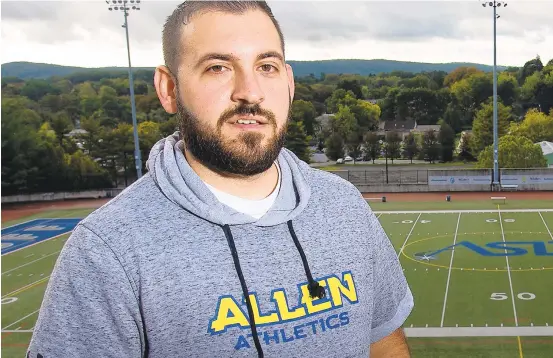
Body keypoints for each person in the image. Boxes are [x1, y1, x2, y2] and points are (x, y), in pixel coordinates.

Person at [27, 1, 413, 357]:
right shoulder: (107, 250)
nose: (250, 93)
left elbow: (382, 338)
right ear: (169, 89)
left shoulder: (344, 205)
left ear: (289, 82)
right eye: (218, 67)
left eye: (267, 66)